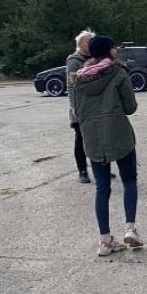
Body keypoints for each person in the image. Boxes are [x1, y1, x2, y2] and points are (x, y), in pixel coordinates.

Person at [72, 35, 143, 256]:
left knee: (102, 187)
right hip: (118, 133)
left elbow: (76, 110)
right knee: (129, 180)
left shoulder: (77, 80)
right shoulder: (119, 73)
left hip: (93, 138)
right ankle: (130, 228)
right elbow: (130, 107)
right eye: (115, 48)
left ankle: (104, 240)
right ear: (109, 51)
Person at [67, 29, 94, 184]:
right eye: (87, 41)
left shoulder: (93, 58)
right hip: (79, 107)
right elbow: (71, 86)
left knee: (97, 138)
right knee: (81, 139)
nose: (89, 44)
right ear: (80, 43)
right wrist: (74, 107)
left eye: (91, 41)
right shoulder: (74, 60)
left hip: (93, 106)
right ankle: (82, 171)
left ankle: (102, 167)